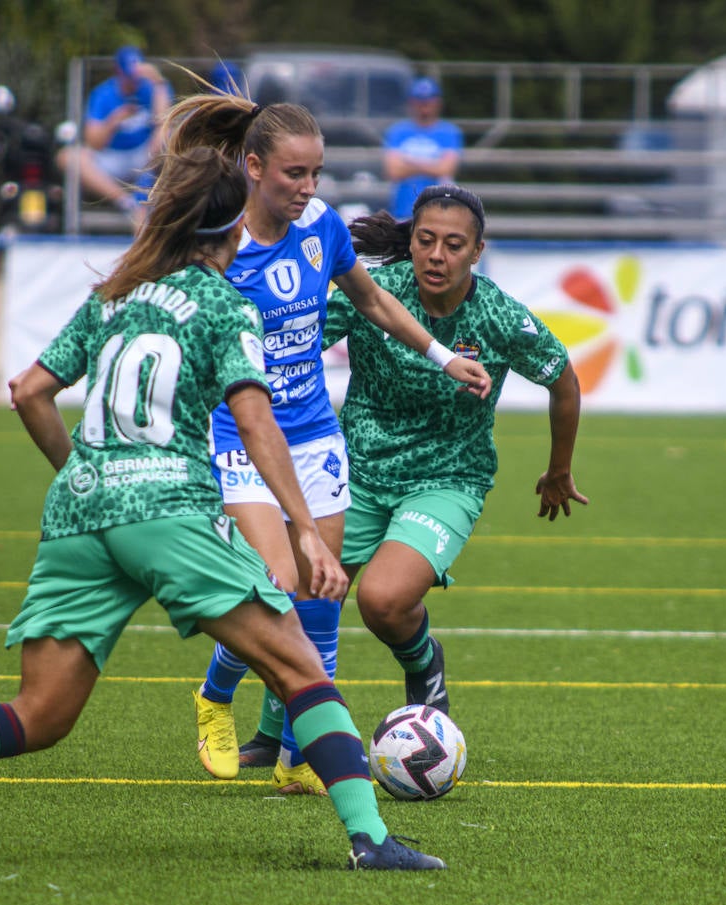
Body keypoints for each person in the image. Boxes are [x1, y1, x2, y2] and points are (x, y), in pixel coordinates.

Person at [0, 146, 444, 872]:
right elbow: (257, 423)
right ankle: (371, 840)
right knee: (301, 666)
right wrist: (305, 531)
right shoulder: (222, 303)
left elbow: (29, 391)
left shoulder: (116, 292)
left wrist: (85, 474)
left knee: (40, 714)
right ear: (235, 229)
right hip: (167, 509)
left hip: (79, 513)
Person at [162, 92, 493, 795]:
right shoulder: (218, 245)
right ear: (252, 167)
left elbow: (371, 300)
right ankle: (214, 698)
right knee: (273, 588)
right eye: (294, 174)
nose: (308, 188)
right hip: (239, 440)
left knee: (320, 594)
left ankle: (299, 753)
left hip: (314, 436)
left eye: (316, 173)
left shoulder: (321, 228)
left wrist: (441, 355)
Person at [243, 184, 588, 754]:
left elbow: (564, 380)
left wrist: (558, 470)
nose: (436, 255)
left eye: (454, 245)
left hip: (447, 478)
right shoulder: (374, 293)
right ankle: (276, 729)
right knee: (304, 594)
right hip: (353, 473)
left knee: (382, 601)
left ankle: (424, 664)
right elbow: (294, 343)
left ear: (477, 252)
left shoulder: (499, 316)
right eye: (426, 240)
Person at [57, 45, 171, 226]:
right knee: (68, 157)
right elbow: (93, 142)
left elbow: (164, 121)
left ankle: (153, 200)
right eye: (129, 77)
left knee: (166, 137)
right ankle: (126, 202)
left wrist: (158, 82)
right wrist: (113, 121)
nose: (133, 83)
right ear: (118, 71)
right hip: (112, 158)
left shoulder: (152, 88)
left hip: (144, 157)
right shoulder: (103, 94)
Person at [382, 78, 463, 221]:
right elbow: (393, 171)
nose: (424, 106)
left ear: (438, 103)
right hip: (402, 209)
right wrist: (432, 165)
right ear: (411, 103)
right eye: (419, 101)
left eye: (429, 101)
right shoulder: (398, 131)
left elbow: (446, 169)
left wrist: (408, 164)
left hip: (439, 210)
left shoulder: (449, 132)